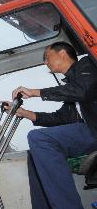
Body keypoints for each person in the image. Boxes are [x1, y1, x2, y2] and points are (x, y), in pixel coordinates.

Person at [6, 42, 97, 208]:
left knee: (39, 138)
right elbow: (61, 117)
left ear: (62, 53)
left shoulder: (88, 65)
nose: (44, 62)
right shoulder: (72, 86)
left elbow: (82, 91)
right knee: (35, 153)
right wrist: (25, 113)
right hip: (89, 131)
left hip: (94, 130)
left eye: (46, 57)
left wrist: (35, 92)